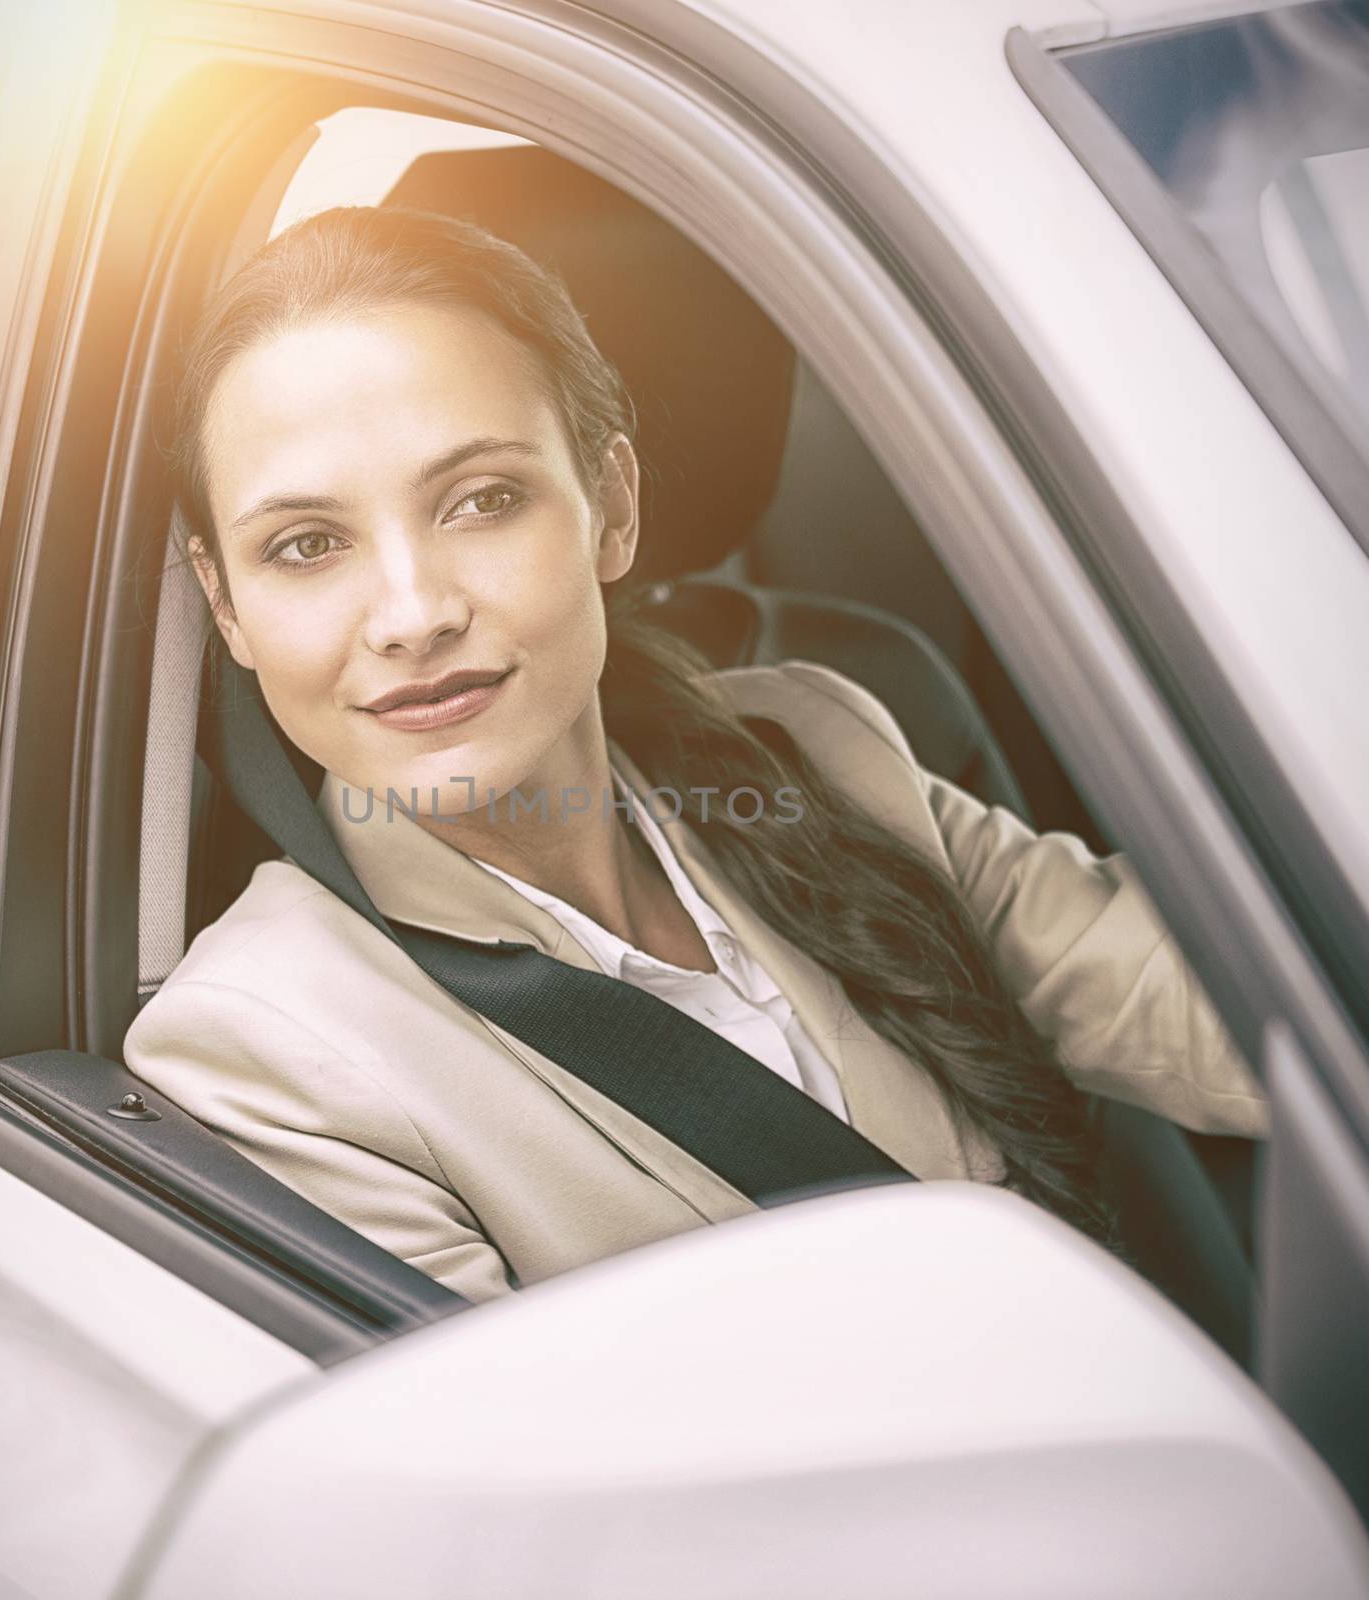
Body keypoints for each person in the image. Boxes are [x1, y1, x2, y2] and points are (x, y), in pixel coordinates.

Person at [123, 205, 1267, 1303]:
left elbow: (1240, 1011)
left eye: (481, 500)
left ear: (610, 508)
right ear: (226, 605)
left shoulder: (815, 747)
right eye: (307, 544)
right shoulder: (262, 1051)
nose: (411, 613)